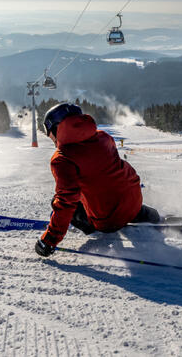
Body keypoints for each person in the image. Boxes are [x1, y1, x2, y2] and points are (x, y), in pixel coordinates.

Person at [34, 102, 160, 257]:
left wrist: (49, 240)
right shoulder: (103, 137)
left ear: (57, 128)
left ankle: (96, 226)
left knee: (59, 201)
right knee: (108, 188)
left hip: (107, 220)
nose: (49, 137)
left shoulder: (62, 159)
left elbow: (66, 202)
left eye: (49, 132)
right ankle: (147, 215)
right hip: (133, 202)